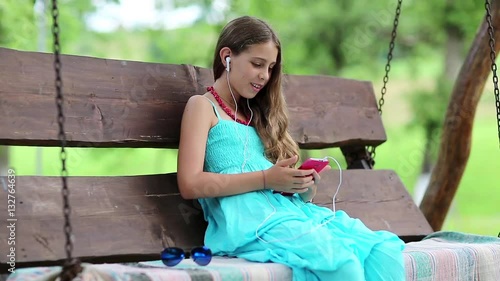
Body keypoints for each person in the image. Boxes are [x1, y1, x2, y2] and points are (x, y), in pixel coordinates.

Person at [177, 15, 405, 281]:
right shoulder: (202, 107)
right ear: (227, 57)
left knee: (383, 251)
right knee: (341, 264)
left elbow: (272, 186)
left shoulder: (257, 115)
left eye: (271, 67)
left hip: (287, 213)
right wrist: (265, 178)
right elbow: (190, 184)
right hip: (250, 222)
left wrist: (298, 187)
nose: (264, 75)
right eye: (257, 64)